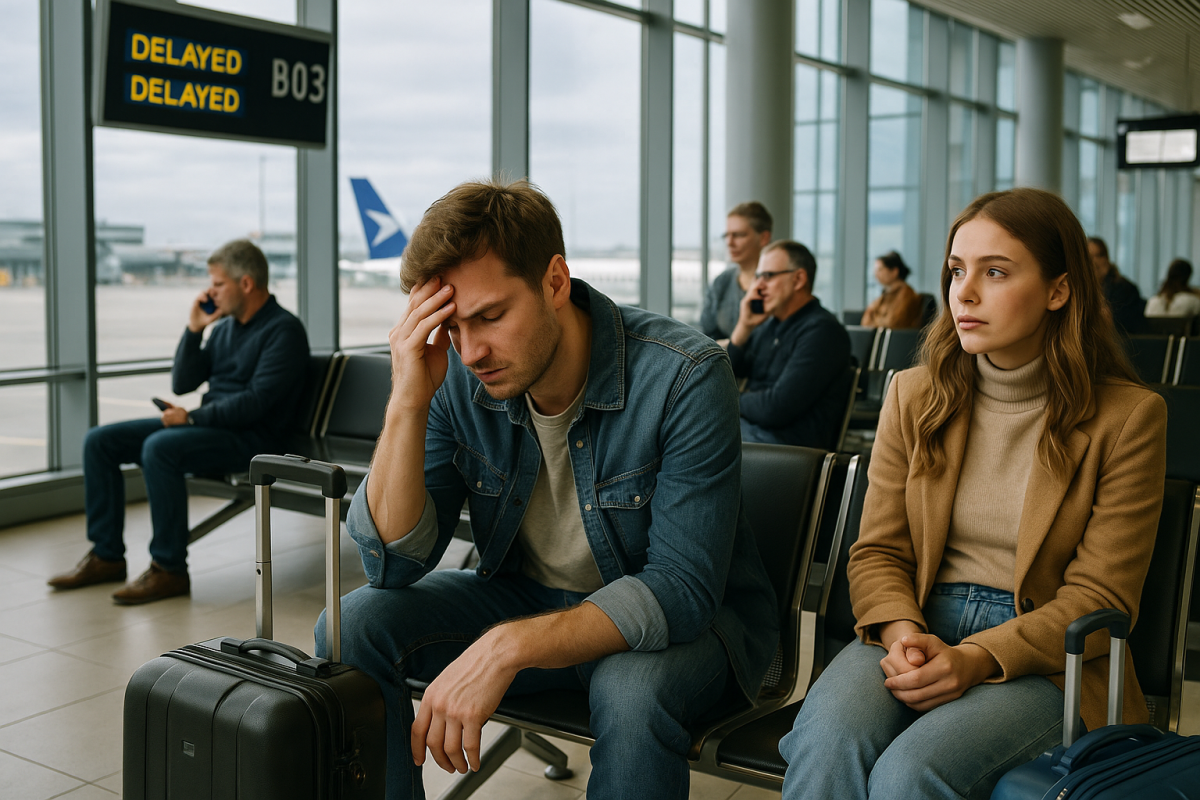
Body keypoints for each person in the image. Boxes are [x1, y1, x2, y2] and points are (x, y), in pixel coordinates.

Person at [318, 178, 777, 800]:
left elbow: (682, 589)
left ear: (555, 283)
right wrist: (407, 400)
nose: (472, 350)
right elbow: (392, 565)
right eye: (452, 327)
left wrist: (510, 645)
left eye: (491, 316)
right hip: (531, 596)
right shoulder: (456, 375)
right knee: (351, 625)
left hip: (684, 628)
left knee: (630, 689)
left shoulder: (685, 375)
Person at [777, 188, 1166, 800]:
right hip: (916, 619)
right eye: (958, 271)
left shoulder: (1128, 417)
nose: (965, 292)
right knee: (825, 745)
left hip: (1047, 654)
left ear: (1059, 290)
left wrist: (978, 657)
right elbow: (877, 552)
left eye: (995, 272)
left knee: (911, 776)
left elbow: (1101, 599)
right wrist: (906, 636)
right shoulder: (915, 394)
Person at [48, 239, 310, 604]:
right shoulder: (224, 329)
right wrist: (194, 329)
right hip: (211, 427)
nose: (210, 292)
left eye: (218, 284)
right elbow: (183, 382)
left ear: (246, 284)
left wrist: (191, 417)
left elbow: (257, 403)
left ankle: (168, 570)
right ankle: (106, 556)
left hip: (254, 439)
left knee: (160, 448)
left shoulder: (284, 331)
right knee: (100, 441)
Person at [727, 239, 851, 448]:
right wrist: (743, 328)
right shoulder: (770, 325)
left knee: (692, 439)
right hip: (754, 431)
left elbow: (775, 408)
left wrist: (725, 399)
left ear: (798, 279)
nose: (758, 286)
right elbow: (723, 373)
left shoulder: (823, 332)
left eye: (767, 276)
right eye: (758, 277)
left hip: (789, 449)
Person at [700, 201, 773, 343]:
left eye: (739, 235)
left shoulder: (776, 285)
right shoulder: (722, 282)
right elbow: (706, 335)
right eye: (726, 235)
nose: (729, 242)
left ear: (764, 238)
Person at [1088, 236, 1145, 334]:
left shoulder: (1124, 288)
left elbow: (1122, 323)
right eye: (1090, 257)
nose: (1095, 261)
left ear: (1106, 258)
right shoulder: (1080, 288)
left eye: (1099, 255)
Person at [860, 251, 924, 329]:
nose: (876, 274)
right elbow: (865, 322)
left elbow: (893, 324)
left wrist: (875, 320)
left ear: (894, 271)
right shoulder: (885, 295)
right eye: (876, 271)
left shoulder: (906, 294)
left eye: (880, 270)